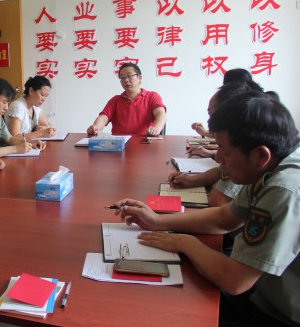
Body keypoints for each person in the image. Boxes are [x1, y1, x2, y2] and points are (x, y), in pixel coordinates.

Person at [113, 91, 300, 326]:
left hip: (276, 313)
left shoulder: (284, 188)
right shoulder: (271, 166)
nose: (218, 157)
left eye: (224, 150)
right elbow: (225, 217)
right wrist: (157, 221)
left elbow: (235, 280)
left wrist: (184, 242)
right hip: (261, 293)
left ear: (260, 155)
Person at [87, 63, 166, 136]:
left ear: (139, 78)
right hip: (119, 143)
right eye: (122, 77)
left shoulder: (151, 96)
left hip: (144, 142)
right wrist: (96, 127)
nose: (126, 80)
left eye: (130, 76)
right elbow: (104, 117)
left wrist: (156, 129)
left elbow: (161, 114)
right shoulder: (115, 100)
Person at [6, 76, 56, 140]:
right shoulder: (18, 107)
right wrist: (40, 133)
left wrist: (42, 128)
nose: (44, 99)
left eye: (46, 96)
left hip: (28, 145)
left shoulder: (35, 108)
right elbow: (15, 137)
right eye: (42, 95)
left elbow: (48, 125)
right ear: (31, 91)